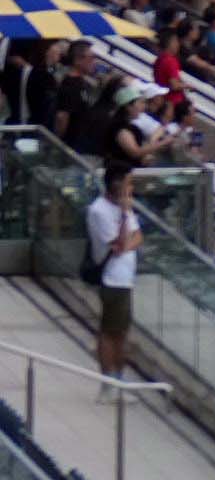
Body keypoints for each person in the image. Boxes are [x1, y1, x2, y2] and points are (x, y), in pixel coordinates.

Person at [80, 157, 142, 378]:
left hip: (125, 277)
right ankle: (110, 378)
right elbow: (120, 244)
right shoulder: (100, 211)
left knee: (121, 331)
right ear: (117, 185)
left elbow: (137, 237)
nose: (131, 188)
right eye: (129, 183)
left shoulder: (122, 207)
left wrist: (126, 243)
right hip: (112, 278)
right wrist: (125, 215)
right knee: (111, 331)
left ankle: (117, 376)